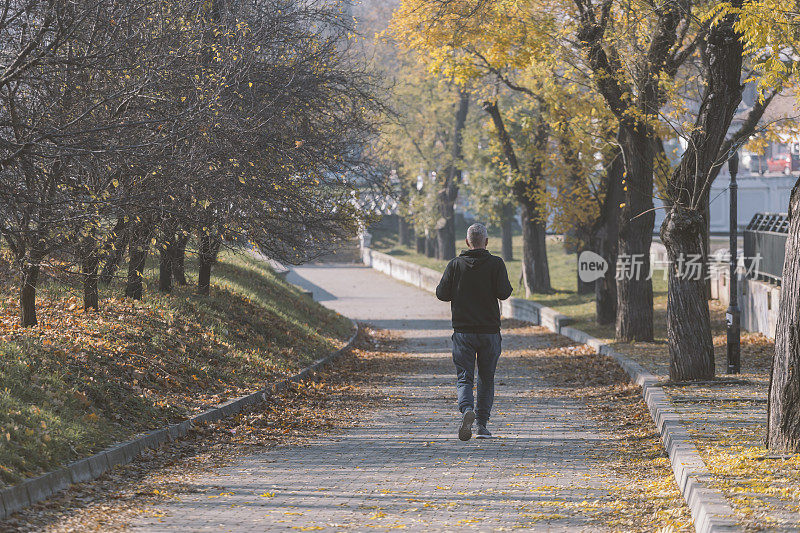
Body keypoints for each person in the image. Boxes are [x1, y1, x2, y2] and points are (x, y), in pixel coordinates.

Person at [435, 223, 513, 441]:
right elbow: (504, 293)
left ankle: (467, 408)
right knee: (486, 379)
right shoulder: (496, 264)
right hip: (489, 333)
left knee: (464, 378)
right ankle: (481, 425)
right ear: (486, 242)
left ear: (467, 242)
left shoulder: (455, 265)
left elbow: (441, 294)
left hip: (463, 333)